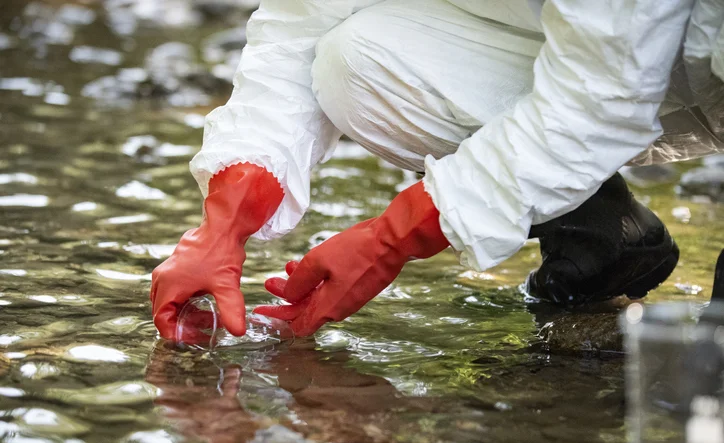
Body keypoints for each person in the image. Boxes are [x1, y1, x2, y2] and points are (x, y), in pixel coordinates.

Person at [151, 0, 724, 340]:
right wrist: (223, 224)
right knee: (351, 59)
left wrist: (393, 236)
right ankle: (599, 228)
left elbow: (603, 101)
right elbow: (298, 27)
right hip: (609, 51)